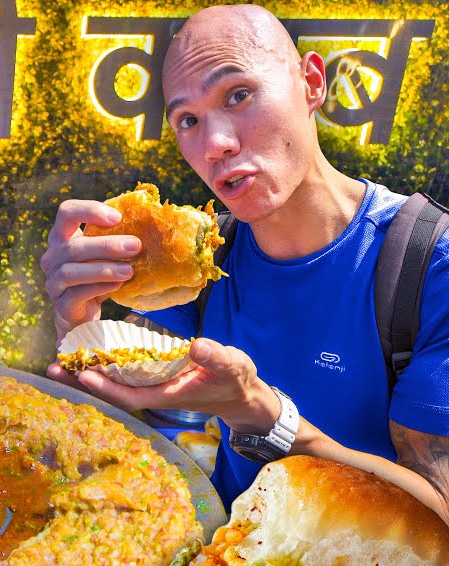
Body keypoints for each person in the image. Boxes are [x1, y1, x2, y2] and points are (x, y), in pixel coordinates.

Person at [40, 4, 449, 525]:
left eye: (238, 95)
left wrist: (265, 417)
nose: (215, 145)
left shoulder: (428, 266)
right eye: (188, 120)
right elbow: (112, 418)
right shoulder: (201, 263)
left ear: (312, 83)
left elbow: (438, 516)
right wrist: (77, 330)